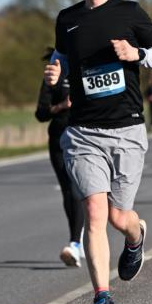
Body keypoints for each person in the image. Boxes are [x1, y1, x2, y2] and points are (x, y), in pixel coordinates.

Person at [44, 0, 152, 304]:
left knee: (119, 217)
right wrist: (55, 73)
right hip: (83, 132)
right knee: (95, 212)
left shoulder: (129, 12)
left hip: (127, 129)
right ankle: (103, 299)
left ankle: (136, 237)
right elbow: (64, 60)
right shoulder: (66, 20)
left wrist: (136, 53)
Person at [35, 47, 85, 267]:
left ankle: (76, 242)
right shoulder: (51, 77)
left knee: (77, 189)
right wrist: (62, 106)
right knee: (67, 190)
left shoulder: (85, 71)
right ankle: (77, 241)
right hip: (57, 137)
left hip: (82, 138)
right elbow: (41, 113)